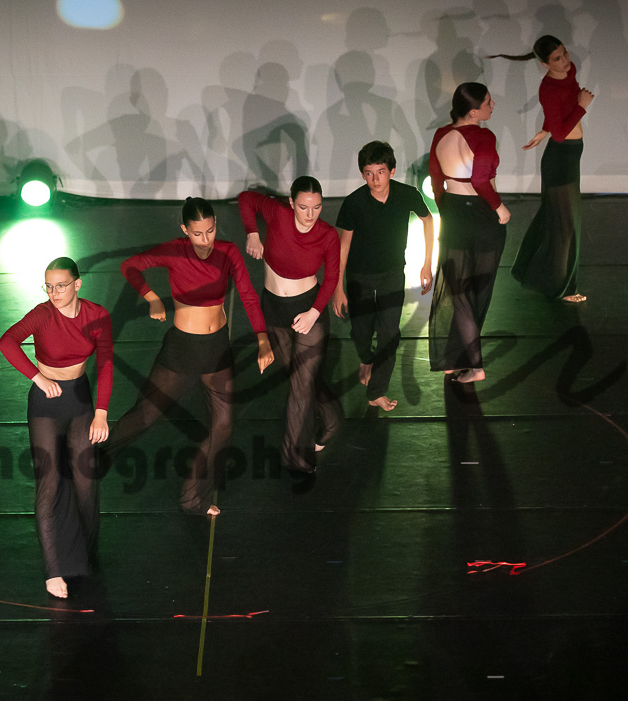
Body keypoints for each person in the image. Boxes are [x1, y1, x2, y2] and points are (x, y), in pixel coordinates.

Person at [106, 197, 273, 515]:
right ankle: (99, 456)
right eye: (197, 233)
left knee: (223, 425)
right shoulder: (174, 250)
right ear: (185, 229)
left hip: (217, 347)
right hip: (182, 348)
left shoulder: (228, 251)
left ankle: (193, 497)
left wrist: (263, 340)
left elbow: (249, 296)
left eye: (210, 230)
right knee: (146, 415)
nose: (205, 239)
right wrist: (152, 298)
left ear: (215, 224)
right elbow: (130, 266)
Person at [0, 258, 113, 600]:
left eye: (61, 285)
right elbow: (7, 342)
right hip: (46, 405)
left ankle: (85, 556)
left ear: (77, 284)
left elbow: (106, 362)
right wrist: (37, 377)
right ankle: (52, 570)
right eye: (48, 286)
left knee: (86, 482)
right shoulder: (42, 314)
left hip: (80, 400)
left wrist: (101, 413)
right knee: (48, 483)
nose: (54, 292)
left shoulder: (97, 315)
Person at [240, 178, 342, 477]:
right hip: (274, 309)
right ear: (291, 202)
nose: (310, 215)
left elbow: (332, 278)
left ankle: (296, 457)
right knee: (297, 377)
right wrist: (252, 233)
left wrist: (313, 313)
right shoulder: (278, 214)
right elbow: (246, 199)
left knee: (300, 386)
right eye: (303, 207)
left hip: (309, 309)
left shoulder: (327, 235)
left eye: (317, 207)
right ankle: (333, 420)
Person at [332, 141, 435, 411]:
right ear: (362, 174)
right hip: (359, 275)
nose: (375, 179)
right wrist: (337, 287)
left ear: (392, 171)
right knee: (361, 331)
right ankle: (366, 358)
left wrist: (426, 264)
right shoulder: (354, 202)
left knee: (389, 332)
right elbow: (343, 245)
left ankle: (376, 391)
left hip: (392, 273)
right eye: (369, 173)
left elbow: (428, 220)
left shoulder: (407, 194)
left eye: (380, 172)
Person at [491, 36, 594, 303]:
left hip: (571, 154)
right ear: (544, 64)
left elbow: (560, 115)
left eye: (565, 53)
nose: (565, 61)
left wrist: (544, 129)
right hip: (560, 159)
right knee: (566, 227)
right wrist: (582, 107)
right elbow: (561, 133)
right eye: (557, 58)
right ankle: (563, 289)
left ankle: (525, 270)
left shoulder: (569, 71)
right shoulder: (547, 88)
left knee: (553, 219)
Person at [427, 82, 510, 383]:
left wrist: (446, 210)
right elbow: (480, 181)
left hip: (454, 214)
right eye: (488, 102)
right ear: (473, 112)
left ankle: (455, 358)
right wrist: (500, 207)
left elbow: (436, 180)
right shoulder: (484, 136)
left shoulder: (441, 134)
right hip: (482, 217)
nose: (492, 105)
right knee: (476, 293)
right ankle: (475, 367)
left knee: (460, 293)